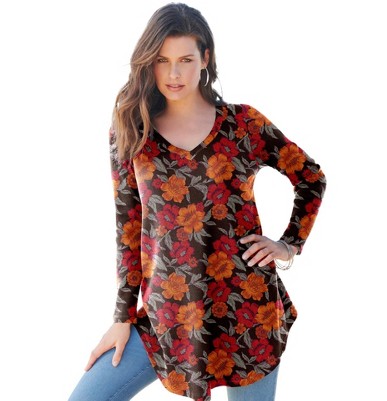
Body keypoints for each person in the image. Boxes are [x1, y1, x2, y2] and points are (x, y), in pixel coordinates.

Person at [68, 3, 326, 401]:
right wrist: (122, 318)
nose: (174, 74)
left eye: (185, 60)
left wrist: (288, 244)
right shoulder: (132, 130)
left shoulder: (243, 124)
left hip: (247, 312)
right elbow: (128, 228)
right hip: (166, 317)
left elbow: (310, 177)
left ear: (205, 57)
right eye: (162, 60)